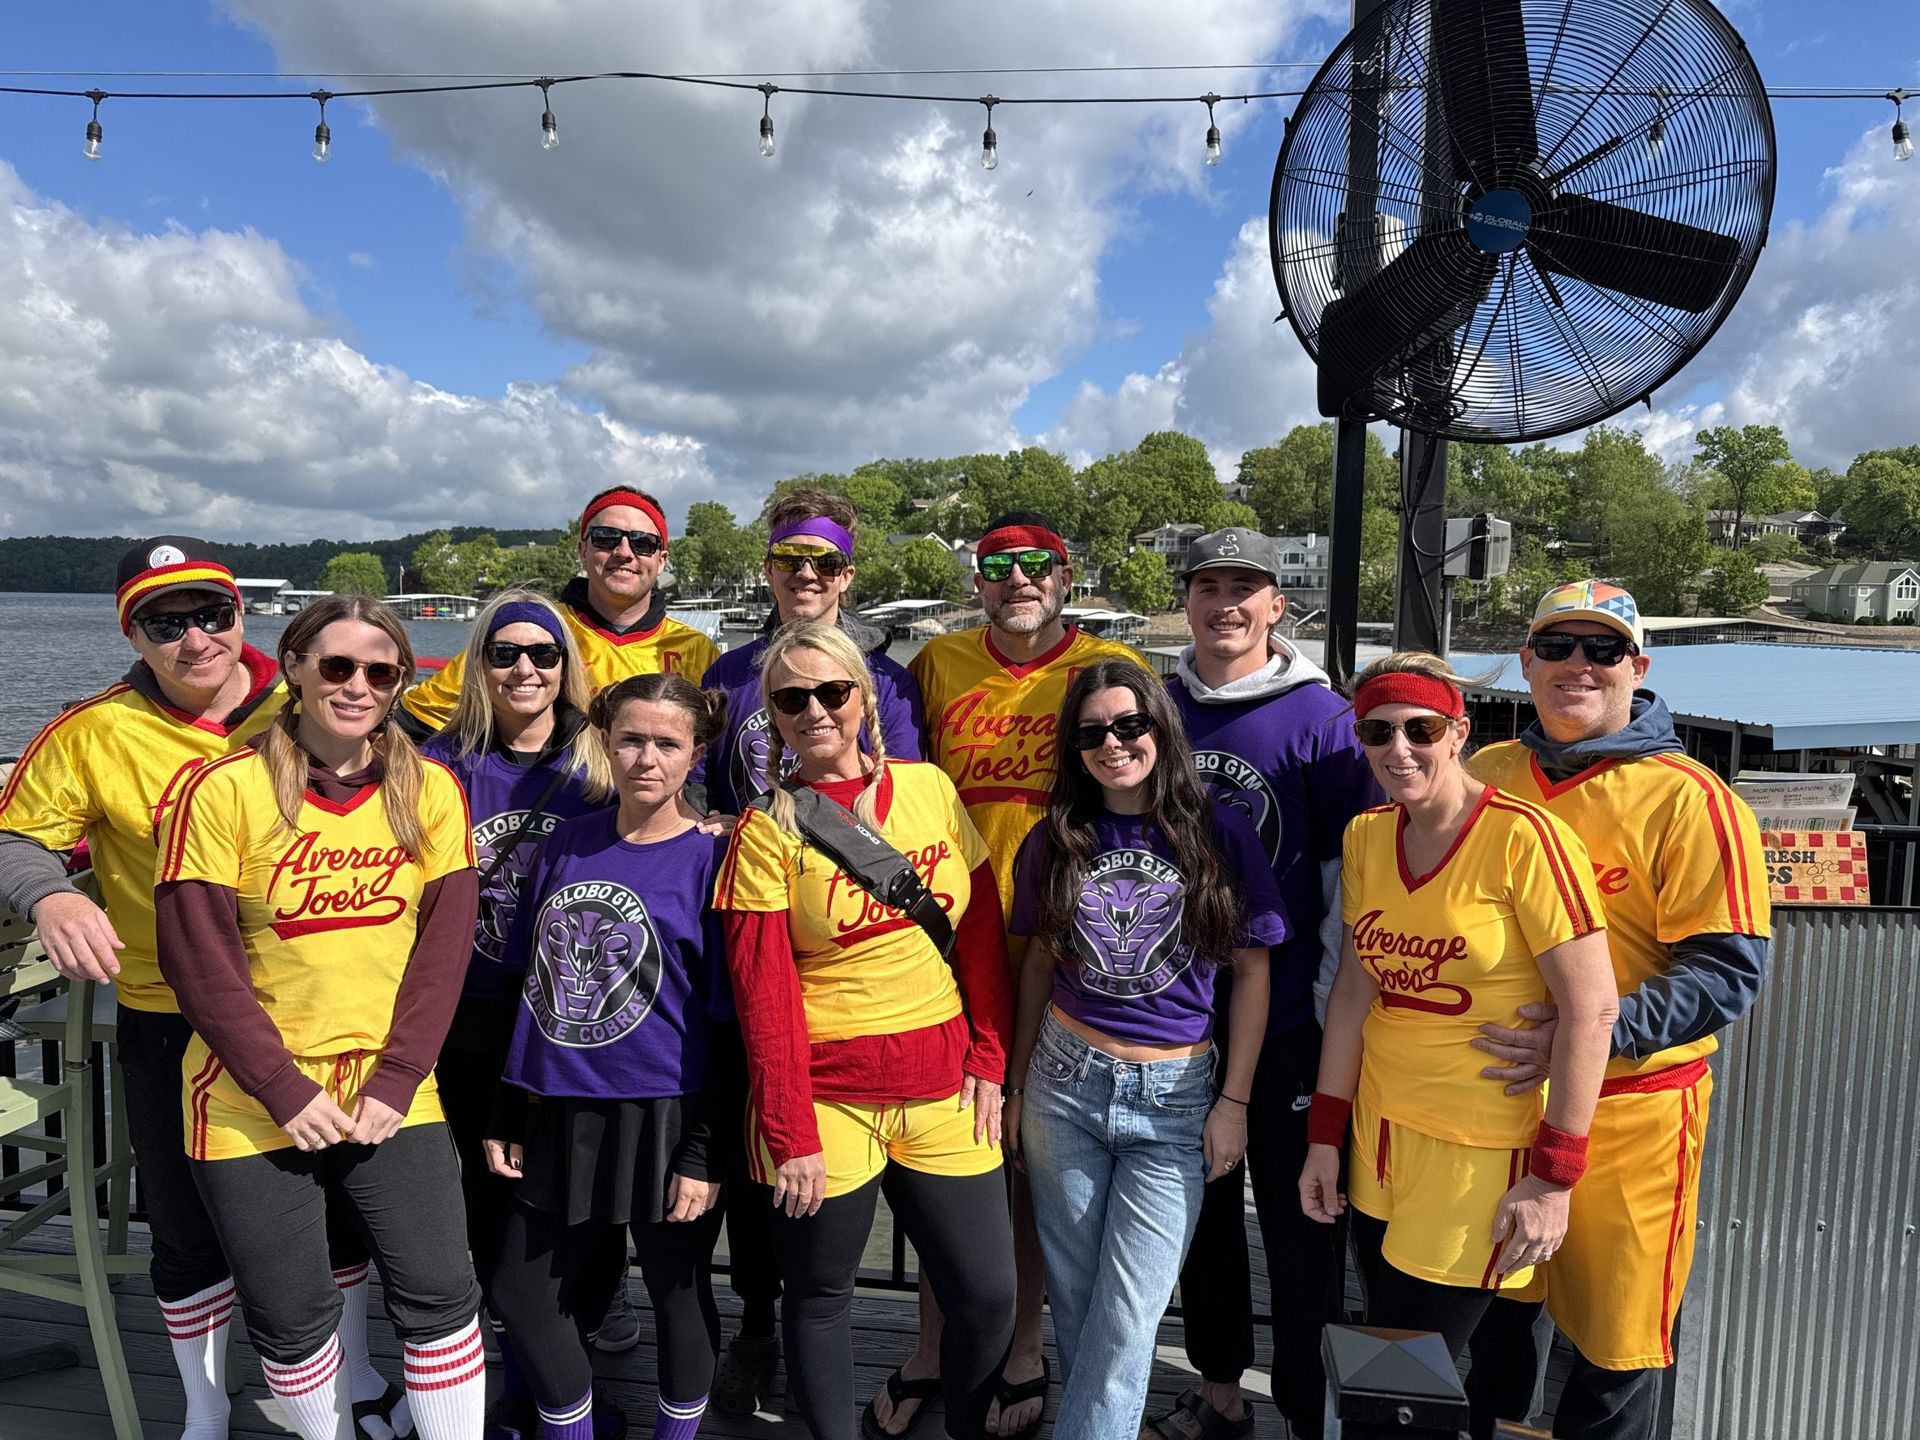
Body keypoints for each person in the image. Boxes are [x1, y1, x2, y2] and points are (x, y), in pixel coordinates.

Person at [0, 538, 405, 1440]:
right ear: (133, 636)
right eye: (164, 622)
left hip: (310, 1010)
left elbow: (485, 695)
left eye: (211, 613)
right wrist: (54, 892)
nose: (195, 639)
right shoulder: (93, 732)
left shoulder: (311, 700)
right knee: (182, 1223)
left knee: (337, 1211)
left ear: (243, 615)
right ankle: (206, 1406)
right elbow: (15, 834)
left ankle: (352, 1374)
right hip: (168, 1014)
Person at [154, 594, 485, 1440]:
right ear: (294, 667)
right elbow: (199, 962)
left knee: (442, 1294)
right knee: (294, 1321)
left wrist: (402, 1073)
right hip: (249, 1098)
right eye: (336, 665)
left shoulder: (431, 790)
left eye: (381, 672)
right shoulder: (221, 787)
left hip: (387, 1086)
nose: (358, 686)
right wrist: (282, 1089)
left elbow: (442, 952)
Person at [1463, 582, 1771, 1440]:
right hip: (1495, 1102)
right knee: (1492, 1329)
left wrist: (1588, 1033)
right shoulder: (1487, 775)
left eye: (1602, 650)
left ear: (1638, 666)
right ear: (1525, 664)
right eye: (1557, 646)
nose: (1577, 667)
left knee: (1617, 1352)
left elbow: (1726, 974)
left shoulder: (1691, 797)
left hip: (1632, 1115)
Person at [1298, 652, 1617, 1433]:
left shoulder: (1524, 840)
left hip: (1478, 1152)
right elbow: (1353, 992)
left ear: (1460, 732)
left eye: (1422, 728)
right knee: (1394, 1359)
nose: (1398, 748)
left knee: (1405, 1368)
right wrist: (1324, 1137)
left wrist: (1554, 1175)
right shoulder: (1369, 836)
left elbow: (1593, 1010)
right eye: (1377, 731)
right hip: (1381, 1139)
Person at [714, 622, 1016, 1440]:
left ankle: (959, 1424)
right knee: (819, 1297)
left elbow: (980, 931)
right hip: (826, 1101)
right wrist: (789, 1132)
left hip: (944, 1082)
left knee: (989, 1296)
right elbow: (763, 996)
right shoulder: (764, 829)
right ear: (771, 716)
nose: (814, 710)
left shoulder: (931, 791)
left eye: (831, 692)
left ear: (864, 696)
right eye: (791, 699)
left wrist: (991, 1056)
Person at [889, 512, 1143, 1440]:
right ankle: (932, 1344)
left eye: (1038, 565)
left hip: (1068, 942)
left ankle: (1025, 1344)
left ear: (1065, 574)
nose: (1019, 580)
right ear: (977, 582)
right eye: (999, 567)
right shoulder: (938, 665)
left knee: (1031, 1153)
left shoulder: (1111, 672)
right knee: (942, 1148)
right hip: (947, 936)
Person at [1003, 661, 1285, 1440]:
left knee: (1128, 1320)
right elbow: (1036, 963)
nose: (1113, 744)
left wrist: (1234, 1104)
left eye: (1129, 725)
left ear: (1160, 728)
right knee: (1079, 1296)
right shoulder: (1057, 834)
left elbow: (1253, 969)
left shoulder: (1220, 830)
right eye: (1092, 732)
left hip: (1175, 1095)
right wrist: (1019, 1085)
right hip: (1064, 1080)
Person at [695, 487, 925, 1416]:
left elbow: (899, 798)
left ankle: (874, 1335)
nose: (806, 576)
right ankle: (759, 1325)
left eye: (825, 562)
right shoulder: (730, 672)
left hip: (850, 938)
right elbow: (708, 795)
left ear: (848, 575)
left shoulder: (888, 679)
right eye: (790, 559)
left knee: (864, 1162)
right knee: (763, 1150)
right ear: (767, 569)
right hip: (753, 926)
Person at [1154, 528, 1383, 1440]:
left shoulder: (1322, 721)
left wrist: (1335, 1014)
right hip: (1175, 1017)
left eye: (1244, 587)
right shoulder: (1154, 707)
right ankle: (1218, 1390)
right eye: (1207, 585)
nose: (1225, 604)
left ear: (1276, 604)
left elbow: (1348, 877)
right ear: (1188, 600)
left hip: (1289, 1017)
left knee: (1301, 1229)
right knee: (1201, 1220)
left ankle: (1302, 1405)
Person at [483, 674, 736, 1440]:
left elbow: (729, 1021)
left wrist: (704, 1151)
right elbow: (535, 977)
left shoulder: (717, 856)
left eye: (667, 743)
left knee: (676, 1289)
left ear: (697, 753)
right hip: (561, 1103)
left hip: (667, 1109)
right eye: (630, 739)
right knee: (520, 1291)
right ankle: (573, 1430)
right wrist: (509, 1103)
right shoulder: (567, 839)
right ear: (604, 740)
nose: (646, 759)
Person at [422, 590, 617, 1435]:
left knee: (580, 1202)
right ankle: (522, 1373)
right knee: (487, 1201)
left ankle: (566, 1358)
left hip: (573, 1018)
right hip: (469, 1011)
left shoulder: (602, 756)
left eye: (543, 653)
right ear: (480, 662)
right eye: (505, 653)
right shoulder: (441, 760)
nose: (525, 669)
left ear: (566, 663)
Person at [400, 488, 721, 736]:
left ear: (661, 560)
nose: (624, 552)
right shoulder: (531, 632)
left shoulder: (697, 650)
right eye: (607, 538)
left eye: (643, 543)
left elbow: (721, 755)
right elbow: (415, 720)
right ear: (583, 550)